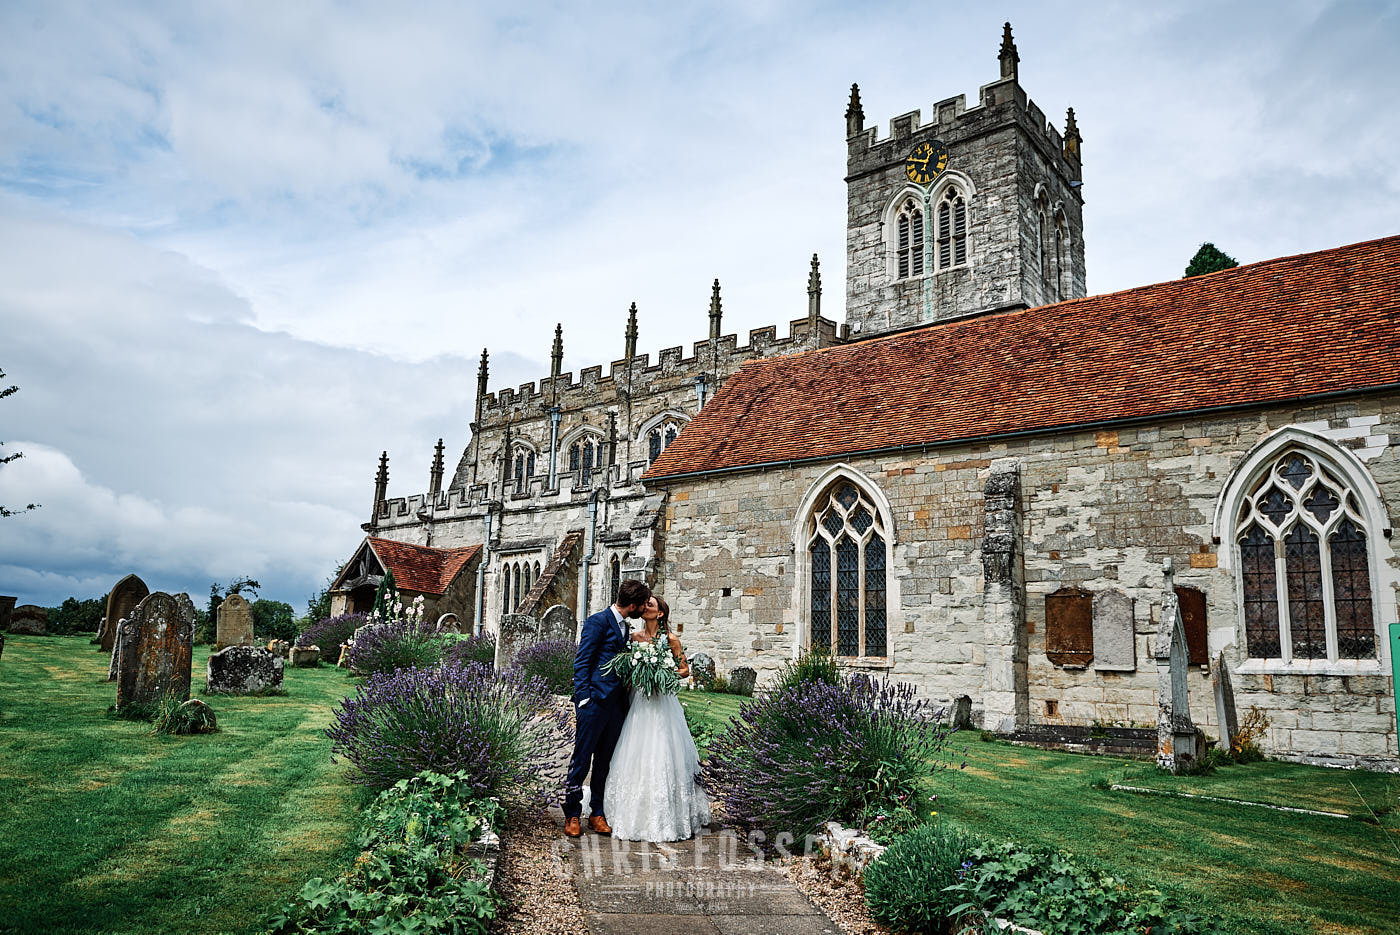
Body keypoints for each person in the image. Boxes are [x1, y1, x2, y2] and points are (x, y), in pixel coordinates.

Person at [602, 595, 712, 842]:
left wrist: (663, 670)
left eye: (649, 605)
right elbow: (626, 668)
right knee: (635, 750)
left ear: (660, 613)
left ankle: (667, 816)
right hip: (640, 701)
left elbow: (684, 669)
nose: (644, 607)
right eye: (644, 605)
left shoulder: (671, 640)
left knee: (663, 748)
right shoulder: (634, 638)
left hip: (663, 702)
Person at [563, 578, 651, 838]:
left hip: (617, 706)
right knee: (581, 759)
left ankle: (597, 812)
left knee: (604, 762)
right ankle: (572, 813)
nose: (644, 609)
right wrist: (584, 699)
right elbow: (582, 663)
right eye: (642, 605)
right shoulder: (597, 622)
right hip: (594, 704)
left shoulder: (626, 627)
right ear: (632, 605)